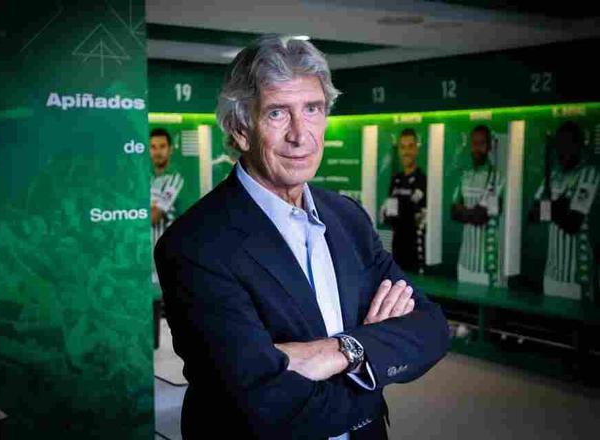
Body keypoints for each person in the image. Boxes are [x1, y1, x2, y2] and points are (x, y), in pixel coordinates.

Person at [155, 36, 449, 440]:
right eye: (277, 113)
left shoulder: (347, 217)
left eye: (313, 109)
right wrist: (370, 368)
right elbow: (257, 400)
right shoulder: (194, 245)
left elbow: (431, 328)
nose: (300, 134)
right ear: (240, 130)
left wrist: (337, 351)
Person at [528, 121, 599, 300]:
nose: (562, 151)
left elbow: (572, 223)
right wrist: (560, 206)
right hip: (551, 273)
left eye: (568, 145)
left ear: (579, 146)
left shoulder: (589, 174)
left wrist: (549, 207)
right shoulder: (553, 175)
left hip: (577, 275)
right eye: (559, 145)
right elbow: (533, 215)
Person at [451, 125, 504, 286]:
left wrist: (466, 212)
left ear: (489, 146)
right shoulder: (465, 176)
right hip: (464, 262)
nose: (477, 148)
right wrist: (473, 213)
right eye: (474, 143)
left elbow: (481, 216)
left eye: (481, 143)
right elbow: (454, 212)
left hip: (488, 266)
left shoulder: (497, 177)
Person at [381, 128, 427, 273]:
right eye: (403, 147)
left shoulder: (422, 179)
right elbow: (390, 213)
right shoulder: (396, 179)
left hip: (415, 250)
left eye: (410, 146)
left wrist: (402, 211)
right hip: (397, 248)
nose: (406, 152)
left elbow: (414, 214)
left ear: (416, 149)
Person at [149, 127, 184, 284]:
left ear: (170, 150)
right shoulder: (144, 179)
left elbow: (154, 216)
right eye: (153, 147)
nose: (158, 152)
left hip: (166, 258)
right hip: (144, 256)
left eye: (162, 146)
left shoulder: (175, 179)